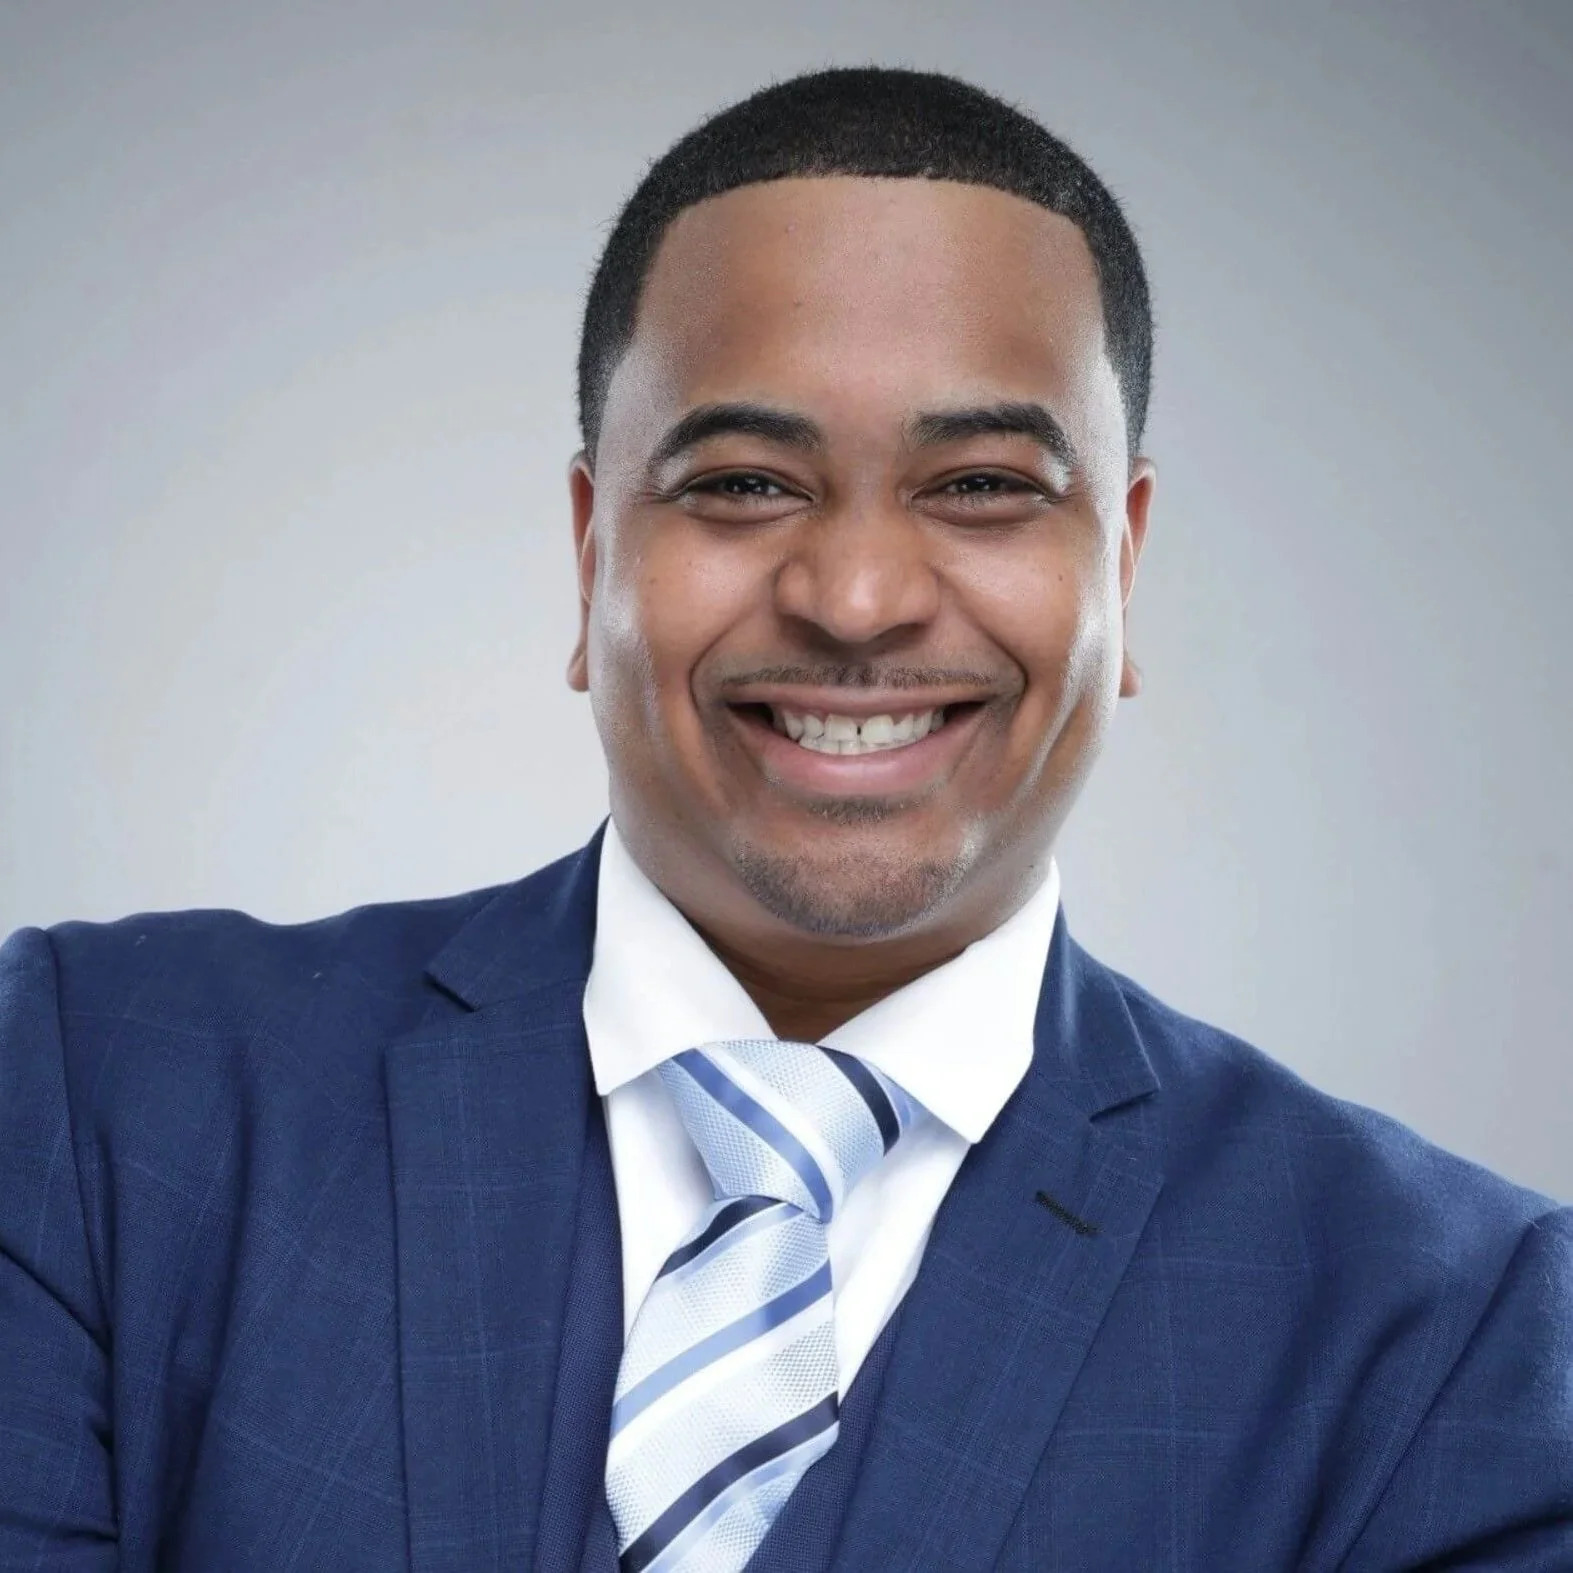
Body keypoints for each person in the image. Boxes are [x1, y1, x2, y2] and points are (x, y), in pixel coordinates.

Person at [1, 64, 1568, 1573]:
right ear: (593, 547)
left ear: (1125, 563)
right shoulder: (98, 1097)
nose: (858, 599)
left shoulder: (1456, 1335)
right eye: (746, 483)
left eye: (982, 486)